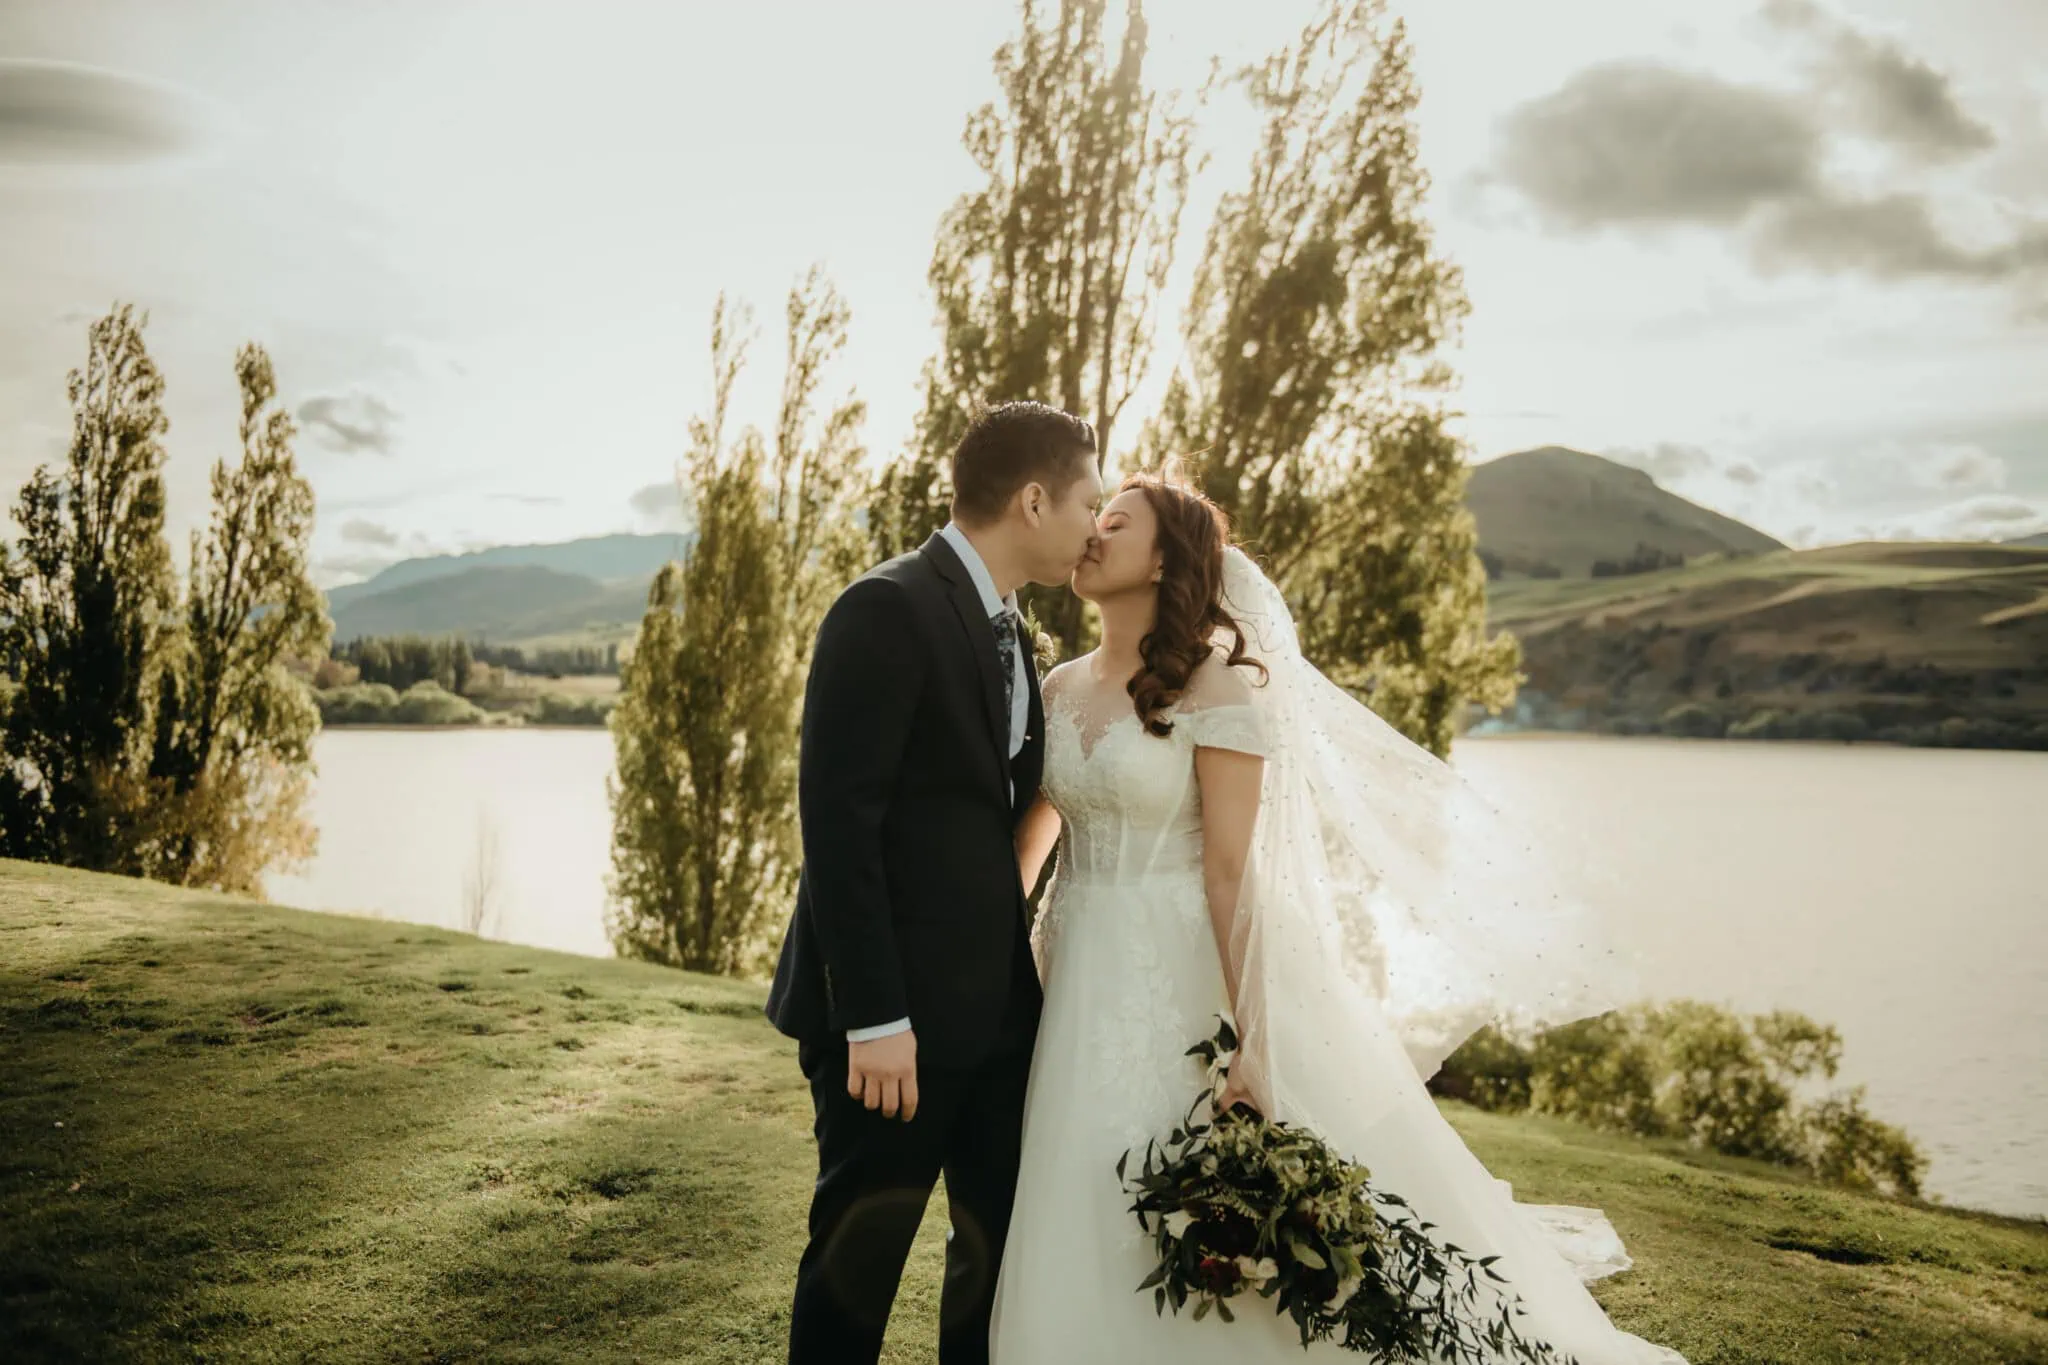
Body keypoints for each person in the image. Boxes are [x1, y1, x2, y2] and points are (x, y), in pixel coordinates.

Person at [989, 472, 1686, 1364]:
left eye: (1116, 522)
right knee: (1074, 1183)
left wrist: (1254, 1040)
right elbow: (1033, 843)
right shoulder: (1057, 686)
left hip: (1177, 980)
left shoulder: (1215, 688)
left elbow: (1233, 872)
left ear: (1165, 558)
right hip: (1075, 973)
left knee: (1188, 1190)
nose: (1093, 532)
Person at [765, 401, 1105, 1365]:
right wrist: (874, 1018)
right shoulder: (886, 607)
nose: (1094, 522)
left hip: (999, 1025)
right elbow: (840, 826)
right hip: (892, 1033)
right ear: (1033, 501)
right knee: (854, 1277)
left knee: (997, 1275)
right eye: (1087, 501)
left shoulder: (1015, 633)